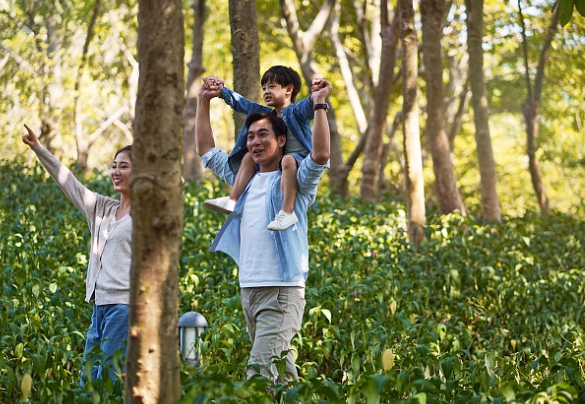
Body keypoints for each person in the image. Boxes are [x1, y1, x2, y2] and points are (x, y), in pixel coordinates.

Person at [195, 76, 332, 383]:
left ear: (281, 139)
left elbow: (320, 155)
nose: (255, 141)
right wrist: (203, 101)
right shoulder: (243, 182)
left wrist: (320, 103)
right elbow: (206, 150)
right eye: (251, 135)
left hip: (281, 291)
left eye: (263, 134)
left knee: (258, 374)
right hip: (250, 289)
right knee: (281, 378)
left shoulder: (296, 179)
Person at [22, 124, 132, 385]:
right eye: (114, 165)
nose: (116, 171)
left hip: (125, 307)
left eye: (124, 166)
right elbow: (67, 181)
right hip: (99, 306)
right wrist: (39, 148)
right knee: (87, 382)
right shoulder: (102, 208)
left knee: (107, 381)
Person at [203, 65, 323, 231]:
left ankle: (287, 211)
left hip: (300, 163)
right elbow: (242, 104)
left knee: (288, 159)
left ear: (288, 90)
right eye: (264, 87)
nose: (266, 91)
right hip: (280, 163)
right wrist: (222, 91)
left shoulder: (296, 112)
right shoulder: (266, 114)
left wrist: (316, 95)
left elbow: (308, 106)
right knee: (248, 157)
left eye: (272, 87)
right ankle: (233, 199)